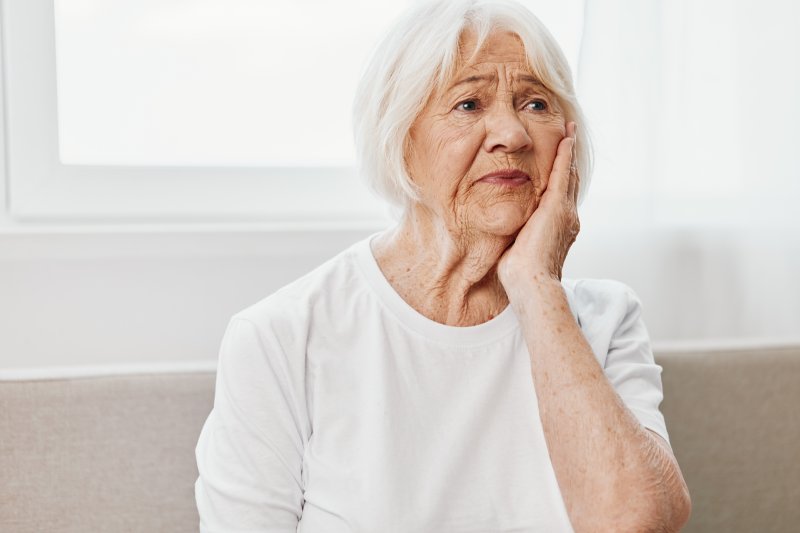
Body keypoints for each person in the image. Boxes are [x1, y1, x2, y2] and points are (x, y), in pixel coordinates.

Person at [194, 0, 692, 531]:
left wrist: (536, 285)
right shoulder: (282, 337)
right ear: (399, 137)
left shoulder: (607, 319)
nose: (513, 134)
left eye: (536, 104)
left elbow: (637, 522)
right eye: (470, 104)